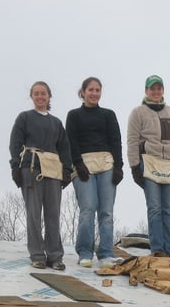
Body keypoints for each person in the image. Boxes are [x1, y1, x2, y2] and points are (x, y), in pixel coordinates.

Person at [9, 81, 73, 270]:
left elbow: (64, 147)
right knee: (34, 214)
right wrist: (15, 166)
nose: (40, 97)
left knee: (53, 214)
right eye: (36, 93)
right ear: (32, 96)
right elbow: (15, 143)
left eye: (43, 93)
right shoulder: (25, 118)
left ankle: (55, 256)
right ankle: (37, 255)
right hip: (31, 168)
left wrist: (67, 169)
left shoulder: (56, 123)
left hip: (53, 169)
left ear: (49, 96)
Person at [66, 77, 124, 269]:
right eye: (90, 90)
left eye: (97, 90)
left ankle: (106, 253)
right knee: (88, 208)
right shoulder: (74, 115)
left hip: (106, 162)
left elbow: (116, 140)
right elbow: (71, 141)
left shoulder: (108, 115)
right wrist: (78, 164)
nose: (94, 93)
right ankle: (85, 252)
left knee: (106, 211)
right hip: (84, 164)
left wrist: (118, 167)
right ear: (82, 92)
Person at [127, 75, 170, 255]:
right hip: (149, 163)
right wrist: (134, 166)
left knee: (169, 210)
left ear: (163, 90)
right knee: (154, 208)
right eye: (152, 88)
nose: (155, 91)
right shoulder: (138, 112)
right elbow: (132, 141)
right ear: (146, 90)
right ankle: (157, 249)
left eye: (159, 88)